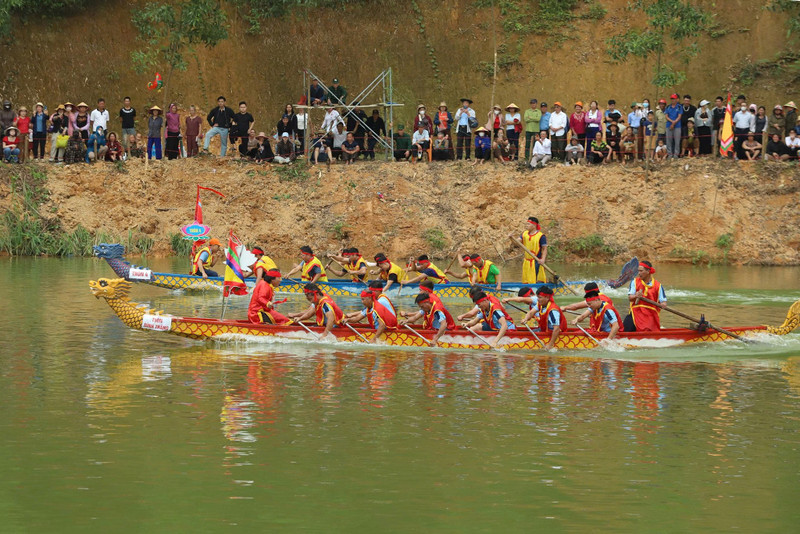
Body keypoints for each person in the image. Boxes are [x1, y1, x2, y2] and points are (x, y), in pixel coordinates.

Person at [624, 260, 666, 332]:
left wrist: (662, 304)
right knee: (625, 328)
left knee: (646, 330)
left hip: (650, 314)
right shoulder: (634, 282)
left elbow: (664, 302)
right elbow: (630, 298)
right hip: (636, 312)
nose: (639, 273)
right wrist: (636, 296)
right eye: (638, 271)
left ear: (648, 271)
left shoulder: (658, 286)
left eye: (641, 271)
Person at [510, 216, 547, 283]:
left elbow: (544, 249)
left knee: (535, 279)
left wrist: (543, 259)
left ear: (534, 225)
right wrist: (511, 238)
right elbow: (516, 243)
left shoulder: (541, 236)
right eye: (526, 224)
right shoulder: (524, 234)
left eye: (528, 224)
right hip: (526, 261)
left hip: (536, 261)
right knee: (526, 280)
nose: (526, 226)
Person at [535, 286, 567, 351]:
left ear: (547, 298)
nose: (537, 299)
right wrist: (526, 319)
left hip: (556, 334)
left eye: (539, 297)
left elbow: (556, 329)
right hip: (545, 331)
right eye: (537, 297)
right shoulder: (541, 304)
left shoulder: (553, 311)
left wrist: (550, 344)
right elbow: (531, 312)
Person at [665, 93, 683, 159]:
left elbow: (679, 116)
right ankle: (669, 154)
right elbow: (666, 116)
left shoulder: (679, 107)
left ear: (676, 99)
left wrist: (674, 122)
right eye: (672, 99)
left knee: (677, 140)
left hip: (677, 125)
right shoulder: (668, 107)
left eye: (674, 99)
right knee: (669, 140)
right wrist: (672, 122)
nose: (673, 100)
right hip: (669, 125)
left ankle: (676, 154)